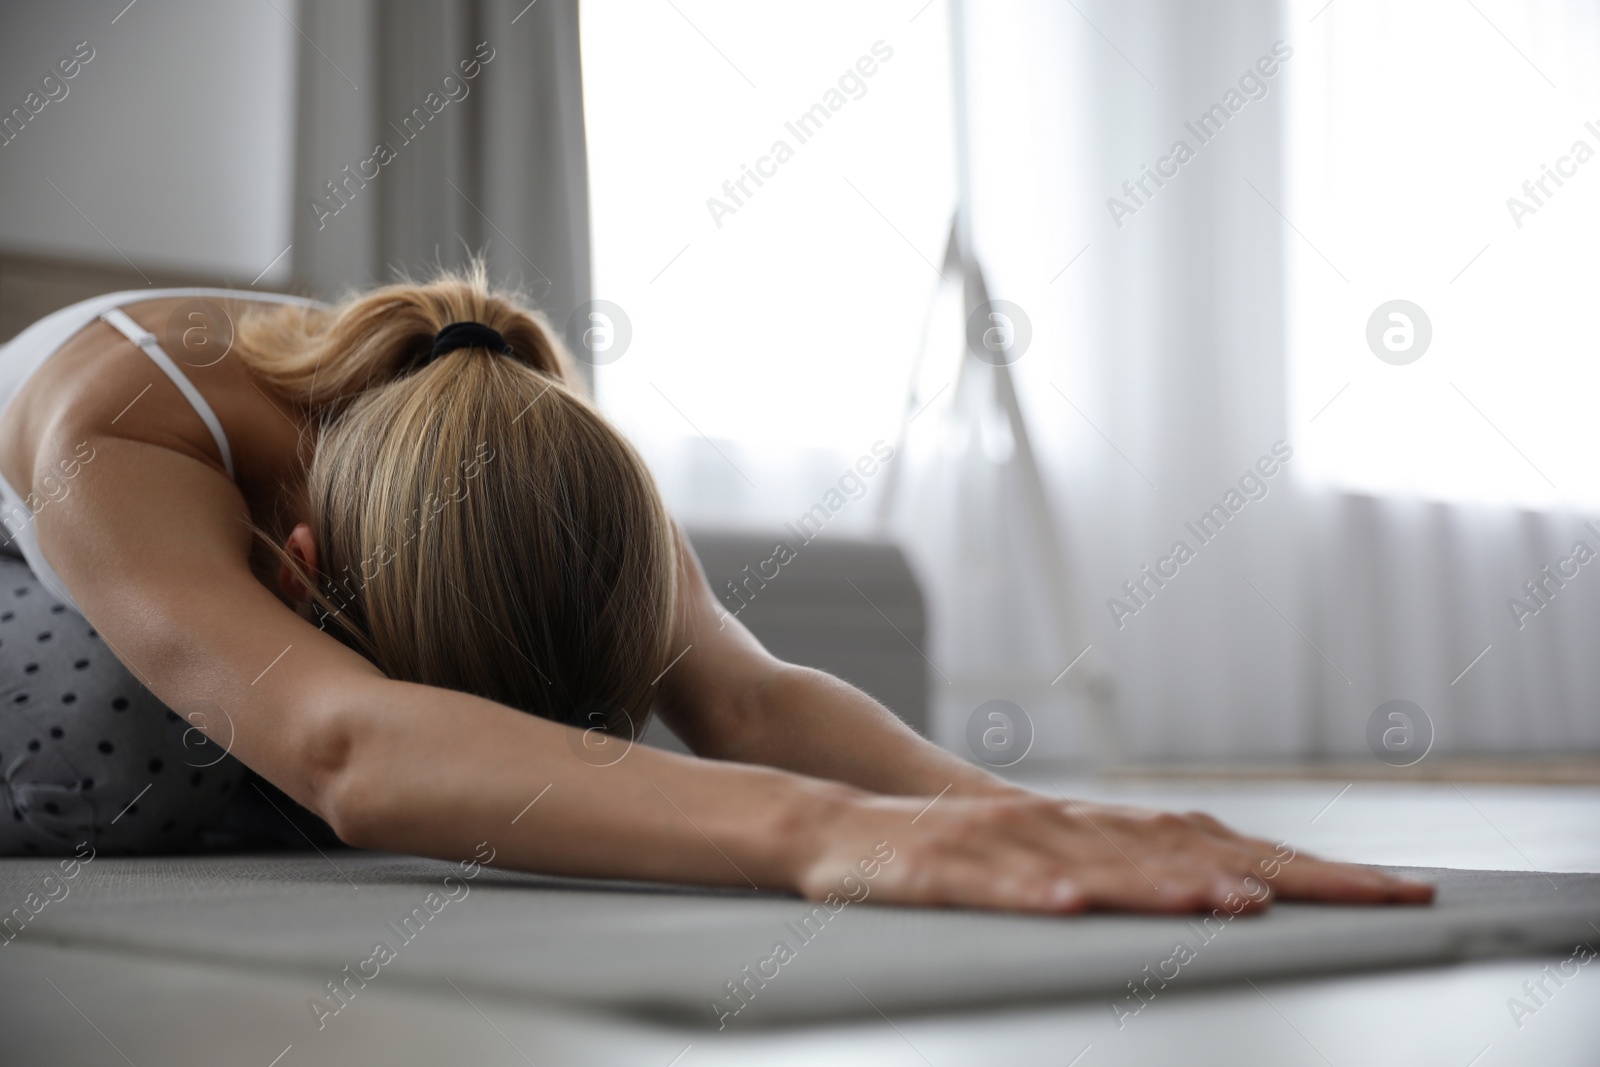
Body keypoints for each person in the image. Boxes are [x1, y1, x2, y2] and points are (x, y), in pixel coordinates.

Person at [0, 265, 1432, 914]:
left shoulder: (520, 439)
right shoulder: (113, 423)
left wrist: (1019, 822)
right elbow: (350, 749)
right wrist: (829, 841)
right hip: (39, 586)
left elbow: (745, 694)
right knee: (164, 752)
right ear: (301, 578)